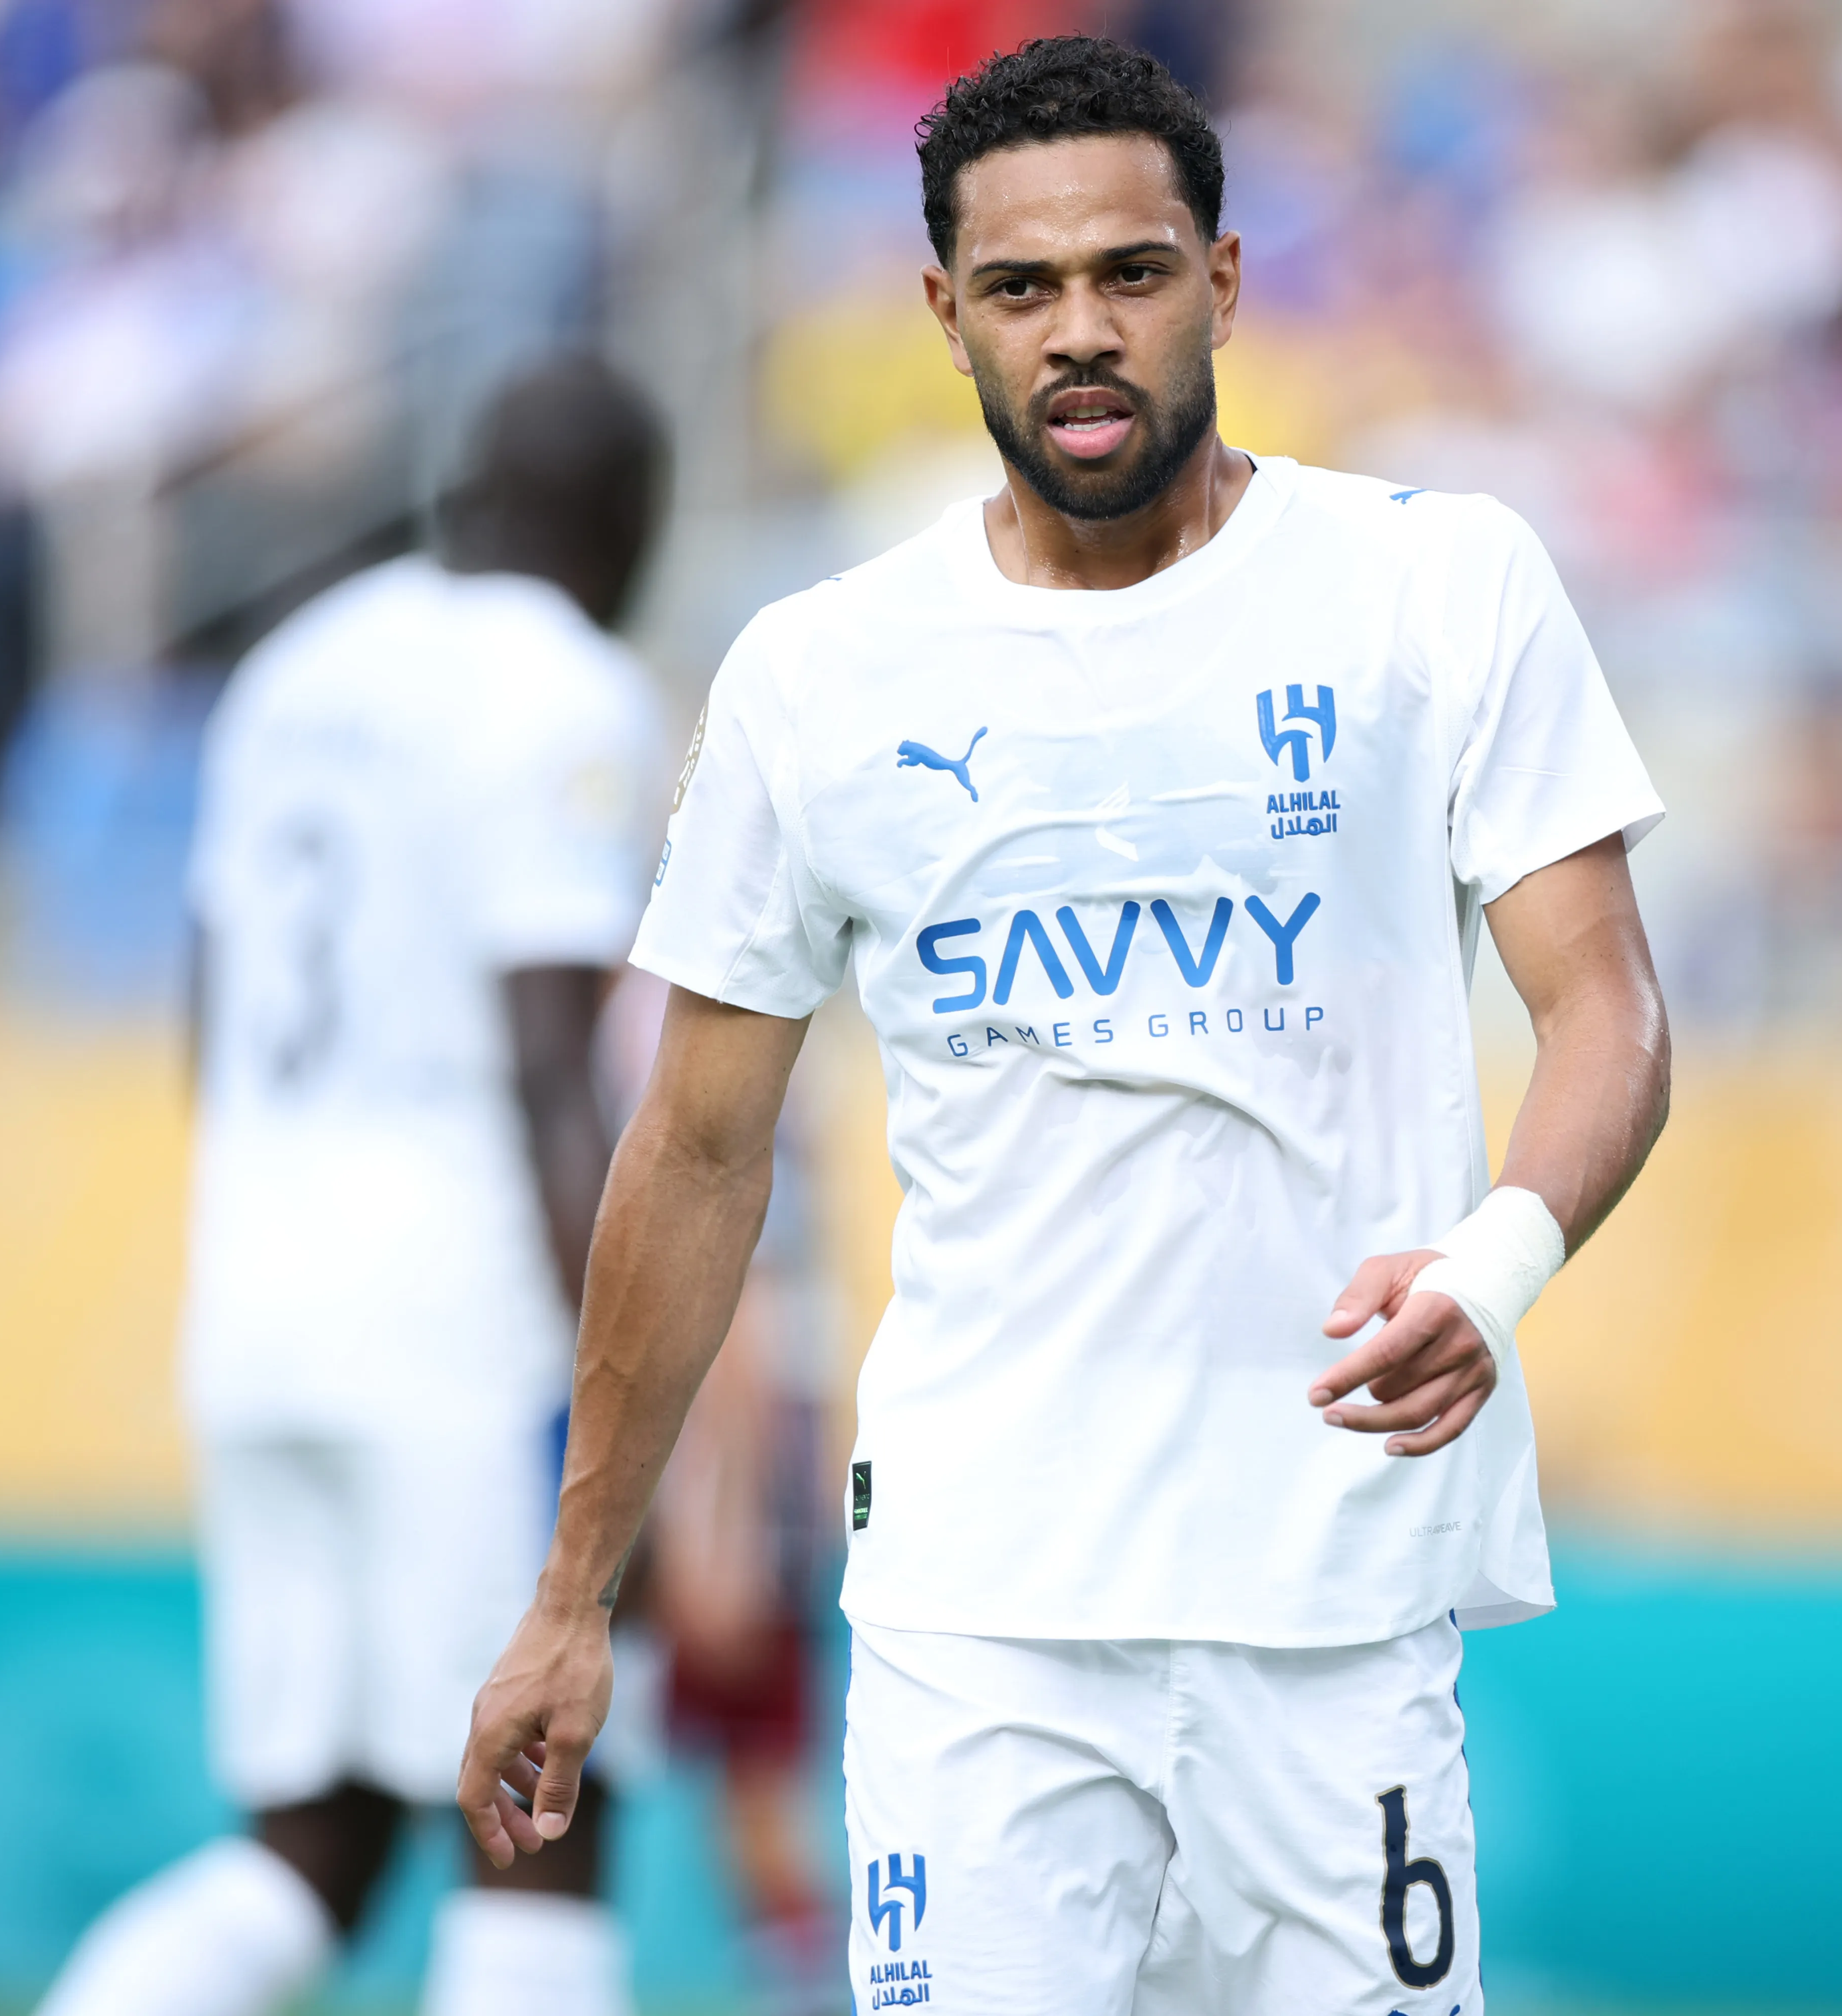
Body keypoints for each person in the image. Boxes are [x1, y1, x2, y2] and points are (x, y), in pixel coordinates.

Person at [458, 36, 1671, 2015]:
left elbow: (1606, 999)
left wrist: (1497, 1260)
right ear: (946, 315)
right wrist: (571, 1597)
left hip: (1333, 1599)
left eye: (1132, 274)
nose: (1082, 330)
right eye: (1023, 288)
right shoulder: (820, 676)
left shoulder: (1437, 585)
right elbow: (693, 1148)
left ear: (1227, 281)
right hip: (978, 1619)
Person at [36, 355, 669, 2016]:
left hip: (256, 1304)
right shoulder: (564, 683)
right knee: (545, 1802)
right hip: (458, 1326)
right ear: (630, 524)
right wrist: (633, 1417)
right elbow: (550, 1068)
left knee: (317, 1839)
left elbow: (209, 1008)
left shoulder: (298, 665)